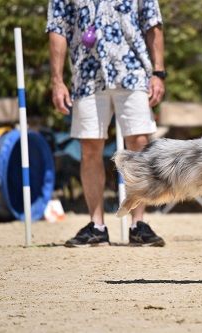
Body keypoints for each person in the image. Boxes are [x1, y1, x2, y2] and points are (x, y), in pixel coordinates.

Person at [46, 0, 167, 247]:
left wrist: (158, 72)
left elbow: (152, 22)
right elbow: (58, 28)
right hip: (87, 74)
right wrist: (57, 81)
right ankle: (97, 225)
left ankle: (138, 224)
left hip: (133, 71)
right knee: (89, 147)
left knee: (140, 144)